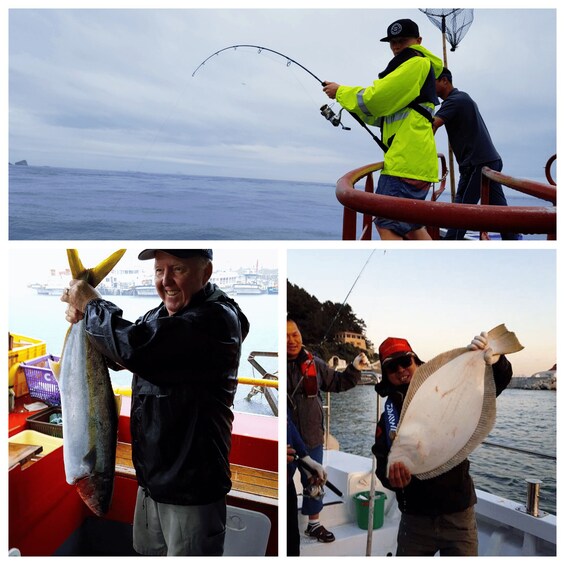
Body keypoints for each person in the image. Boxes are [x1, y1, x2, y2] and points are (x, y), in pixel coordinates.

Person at [61, 249, 250, 556]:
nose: (166, 281)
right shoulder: (159, 316)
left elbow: (139, 349)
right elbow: (122, 350)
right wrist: (84, 318)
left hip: (191, 492)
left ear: (206, 272)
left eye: (177, 269)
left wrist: (92, 306)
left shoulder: (216, 321)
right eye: (159, 271)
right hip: (152, 486)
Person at [372, 333, 513, 556]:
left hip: (458, 513)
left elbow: (493, 385)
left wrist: (495, 360)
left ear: (415, 361)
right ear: (386, 375)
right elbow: (381, 462)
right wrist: (392, 475)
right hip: (415, 519)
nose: (400, 370)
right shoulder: (386, 418)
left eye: (405, 361)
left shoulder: (447, 385)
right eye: (392, 367)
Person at [323, 18, 443, 240]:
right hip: (417, 161)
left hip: (404, 163)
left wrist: (341, 92)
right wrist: (349, 104)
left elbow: (376, 99)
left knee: (386, 223)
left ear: (418, 40)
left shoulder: (415, 63)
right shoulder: (418, 66)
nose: (396, 46)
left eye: (402, 41)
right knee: (412, 225)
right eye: (392, 42)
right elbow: (382, 115)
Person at [287, 318, 369, 543]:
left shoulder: (315, 363)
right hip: (286, 442)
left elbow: (338, 383)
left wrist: (354, 368)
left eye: (295, 334)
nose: (291, 340)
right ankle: (286, 526)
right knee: (284, 484)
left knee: (315, 481)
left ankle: (313, 524)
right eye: (285, 336)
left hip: (312, 437)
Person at [433, 67, 521, 240]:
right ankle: (512, 241)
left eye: (432, 82)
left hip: (480, 163)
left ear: (444, 80)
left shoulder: (455, 100)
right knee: (500, 211)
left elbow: (432, 124)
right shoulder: (461, 98)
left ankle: (450, 245)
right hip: (483, 162)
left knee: (462, 213)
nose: (430, 86)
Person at [287, 418, 327, 556]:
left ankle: (313, 522)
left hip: (287, 485)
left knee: (292, 542)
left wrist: (306, 460)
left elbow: (289, 424)